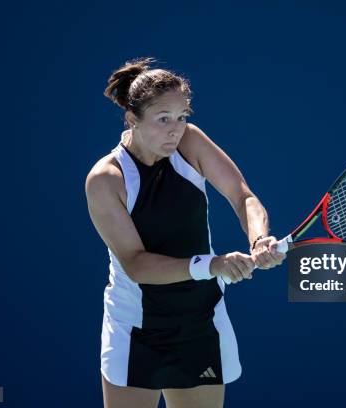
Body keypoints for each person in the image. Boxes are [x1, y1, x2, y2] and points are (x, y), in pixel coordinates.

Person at [85, 57, 285, 408]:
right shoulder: (106, 179)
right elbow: (136, 264)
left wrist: (258, 238)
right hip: (135, 327)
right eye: (163, 120)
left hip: (199, 322)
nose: (175, 130)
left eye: (181, 117)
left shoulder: (189, 144)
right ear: (132, 120)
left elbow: (243, 196)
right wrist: (213, 265)